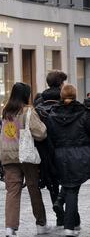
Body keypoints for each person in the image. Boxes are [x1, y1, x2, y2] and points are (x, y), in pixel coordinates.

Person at [0, 82, 51, 237]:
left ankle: (10, 227)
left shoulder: (6, 112)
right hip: (26, 155)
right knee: (33, 188)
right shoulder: (28, 111)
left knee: (12, 192)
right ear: (25, 95)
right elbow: (41, 133)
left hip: (8, 156)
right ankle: (41, 223)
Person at [47, 85, 90, 237]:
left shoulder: (52, 114)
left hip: (59, 154)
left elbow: (50, 137)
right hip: (80, 154)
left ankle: (71, 219)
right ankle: (69, 226)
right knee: (72, 188)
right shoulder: (84, 113)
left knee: (70, 185)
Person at [34, 70, 67, 226]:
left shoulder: (39, 103)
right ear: (60, 84)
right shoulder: (65, 102)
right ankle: (63, 207)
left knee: (52, 181)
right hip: (63, 146)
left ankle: (59, 212)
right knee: (69, 181)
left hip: (44, 149)